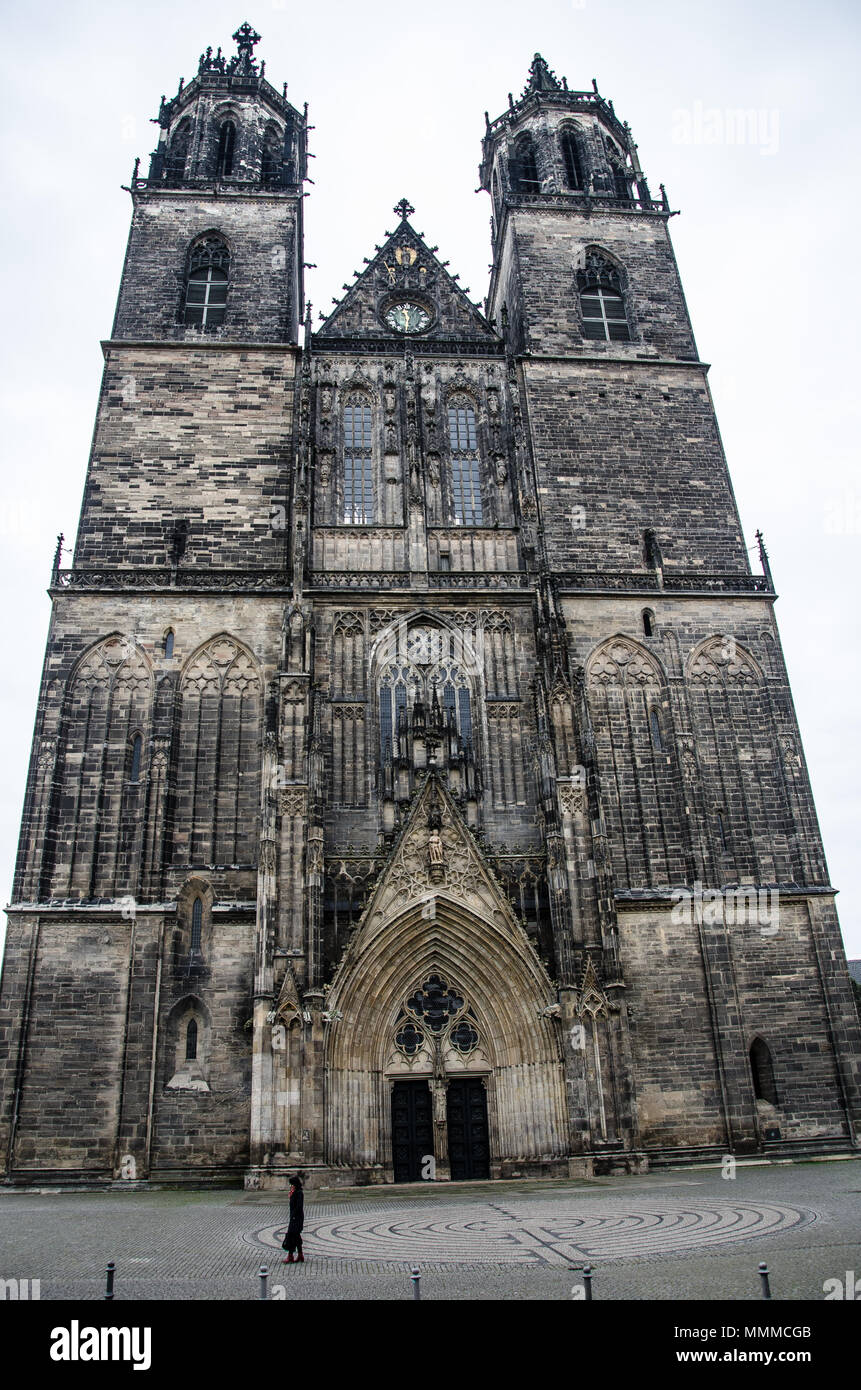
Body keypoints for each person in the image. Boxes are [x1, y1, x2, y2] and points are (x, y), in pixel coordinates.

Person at [281, 1175, 305, 1264]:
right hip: (294, 1218)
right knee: (296, 1237)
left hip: (296, 1218)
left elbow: (299, 1206)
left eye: (291, 1184)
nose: (291, 1186)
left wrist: (294, 1216)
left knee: (291, 1236)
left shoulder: (299, 1193)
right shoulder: (294, 1192)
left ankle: (290, 1256)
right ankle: (300, 1255)